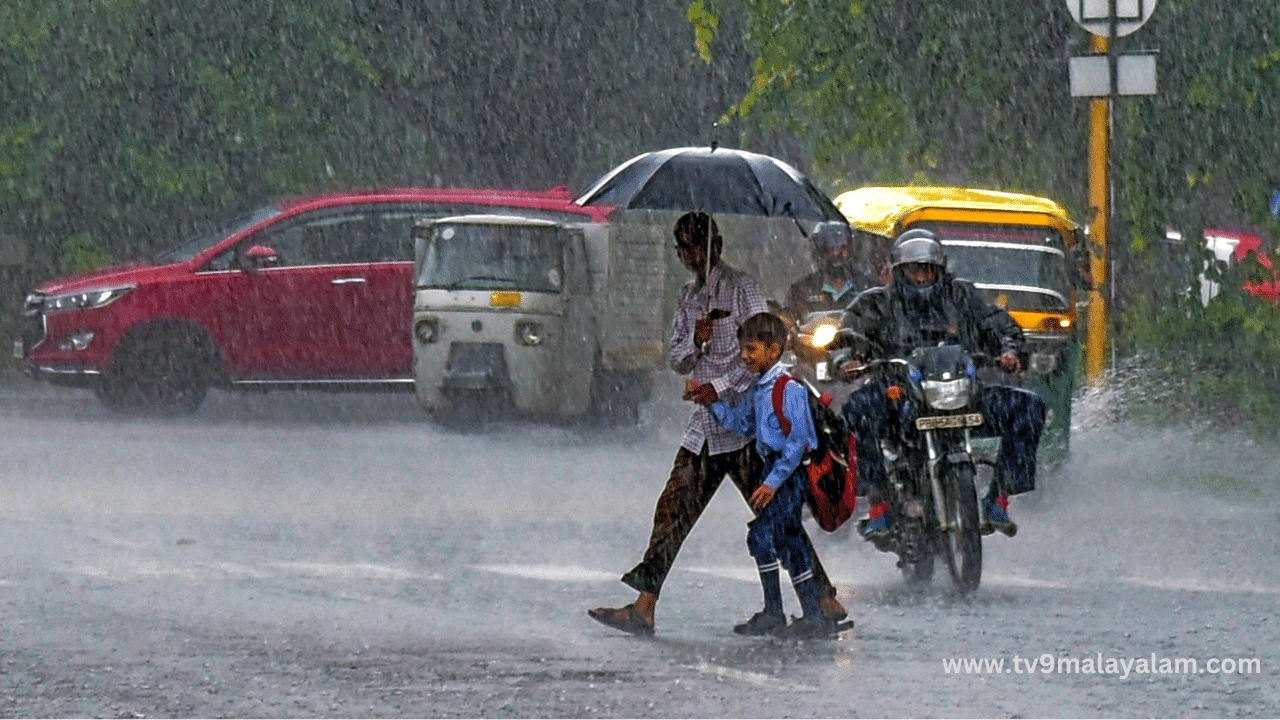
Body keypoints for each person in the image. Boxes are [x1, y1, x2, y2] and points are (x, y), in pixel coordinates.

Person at [587, 212, 845, 636]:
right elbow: (676, 359)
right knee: (672, 512)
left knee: (776, 516)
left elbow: (767, 353)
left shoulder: (744, 290)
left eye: (698, 244)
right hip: (707, 428)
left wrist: (721, 387)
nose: (693, 255)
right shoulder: (690, 299)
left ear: (716, 243)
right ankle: (644, 605)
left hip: (747, 428)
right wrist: (698, 339)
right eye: (685, 248)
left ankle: (822, 598)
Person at [838, 228, 1046, 539]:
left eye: (929, 269)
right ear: (898, 271)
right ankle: (878, 503)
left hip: (962, 393)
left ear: (941, 269)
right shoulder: (876, 303)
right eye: (915, 269)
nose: (922, 277)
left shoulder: (962, 295)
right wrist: (847, 361)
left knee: (1029, 407)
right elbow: (847, 337)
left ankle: (998, 498)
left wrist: (1010, 351)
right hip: (898, 395)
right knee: (856, 410)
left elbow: (999, 324)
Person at [695, 312, 848, 638]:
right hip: (774, 470)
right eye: (744, 349)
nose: (745, 356)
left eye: (752, 350)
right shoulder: (760, 388)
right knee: (785, 539)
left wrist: (772, 482)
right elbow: (743, 425)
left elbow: (799, 442)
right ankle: (794, 614)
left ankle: (793, 614)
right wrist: (712, 403)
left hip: (790, 475)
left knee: (765, 537)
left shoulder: (788, 387)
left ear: (774, 350)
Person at [785, 222, 885, 320]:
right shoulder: (802, 290)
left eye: (843, 248)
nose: (837, 253)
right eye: (830, 249)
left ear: (850, 249)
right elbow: (789, 323)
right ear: (820, 252)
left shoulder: (869, 286)